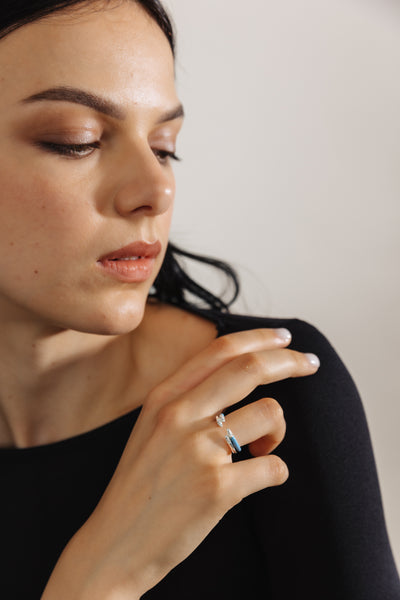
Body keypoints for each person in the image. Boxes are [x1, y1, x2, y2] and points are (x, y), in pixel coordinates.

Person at [0, 1, 399, 598]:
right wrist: (105, 576)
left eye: (165, 146)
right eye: (75, 140)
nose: (156, 189)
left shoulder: (267, 392)